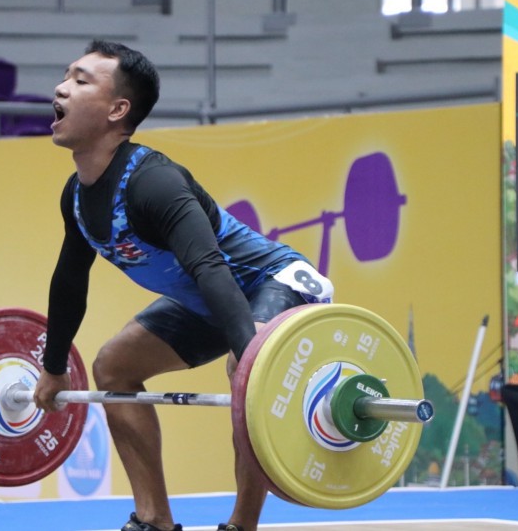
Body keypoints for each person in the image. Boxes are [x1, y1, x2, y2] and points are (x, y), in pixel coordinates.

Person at [32, 40, 333, 531]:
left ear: (117, 110)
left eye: (80, 80)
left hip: (274, 281)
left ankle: (241, 525)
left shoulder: (154, 182)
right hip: (208, 300)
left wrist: (253, 365)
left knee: (242, 363)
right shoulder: (77, 197)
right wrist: (53, 367)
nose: (61, 88)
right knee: (114, 367)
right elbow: (70, 280)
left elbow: (210, 267)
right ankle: (154, 519)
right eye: (66, 76)